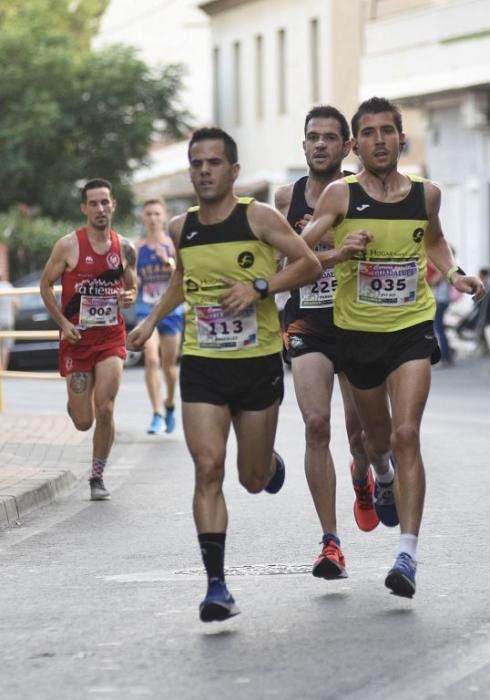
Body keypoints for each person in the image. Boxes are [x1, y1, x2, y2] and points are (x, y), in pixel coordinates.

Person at [128, 127, 321, 622]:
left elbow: (308, 263)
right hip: (203, 364)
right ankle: (216, 586)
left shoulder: (259, 216)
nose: (204, 171)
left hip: (255, 365)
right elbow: (182, 277)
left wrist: (259, 286)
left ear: (233, 171)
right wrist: (150, 320)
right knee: (207, 466)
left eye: (214, 163)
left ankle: (268, 464)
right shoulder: (179, 228)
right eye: (197, 163)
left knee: (251, 479)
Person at [303, 96, 486, 598]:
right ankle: (380, 475)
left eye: (388, 131)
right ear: (355, 143)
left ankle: (407, 553)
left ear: (401, 138)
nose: (380, 140)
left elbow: (435, 239)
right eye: (369, 132)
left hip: (410, 327)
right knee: (375, 442)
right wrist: (340, 250)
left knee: (407, 434)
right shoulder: (339, 196)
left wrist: (455, 274)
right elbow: (303, 254)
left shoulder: (427, 194)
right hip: (358, 334)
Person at [274, 105, 379, 583]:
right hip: (307, 324)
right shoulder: (284, 198)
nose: (320, 144)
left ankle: (363, 475)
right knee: (316, 425)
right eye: (312, 137)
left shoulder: (365, 193)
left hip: (356, 323)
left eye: (330, 137)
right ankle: (330, 542)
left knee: (362, 437)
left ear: (347, 147)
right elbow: (276, 266)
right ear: (303, 146)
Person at [40, 178, 137, 501]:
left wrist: (128, 296)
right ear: (84, 208)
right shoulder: (68, 245)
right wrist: (63, 323)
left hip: (110, 337)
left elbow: (131, 286)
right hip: (77, 340)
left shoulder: (124, 247)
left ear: (113, 205)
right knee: (84, 421)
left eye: (105, 202)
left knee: (106, 409)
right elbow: (45, 286)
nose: (100, 208)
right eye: (93, 203)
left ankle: (97, 476)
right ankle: (75, 405)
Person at [135, 199, 184, 434]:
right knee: (152, 359)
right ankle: (156, 413)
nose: (153, 218)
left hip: (171, 310)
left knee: (169, 366)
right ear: (143, 218)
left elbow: (184, 273)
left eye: (157, 213)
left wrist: (169, 261)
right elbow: (132, 281)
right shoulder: (137, 248)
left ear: (163, 216)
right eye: (148, 214)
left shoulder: (173, 245)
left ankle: (170, 404)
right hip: (146, 310)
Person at [0, 272, 19, 370]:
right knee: (5, 347)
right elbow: (17, 305)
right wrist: (13, 315)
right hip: (8, 320)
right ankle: (3, 370)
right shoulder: (9, 286)